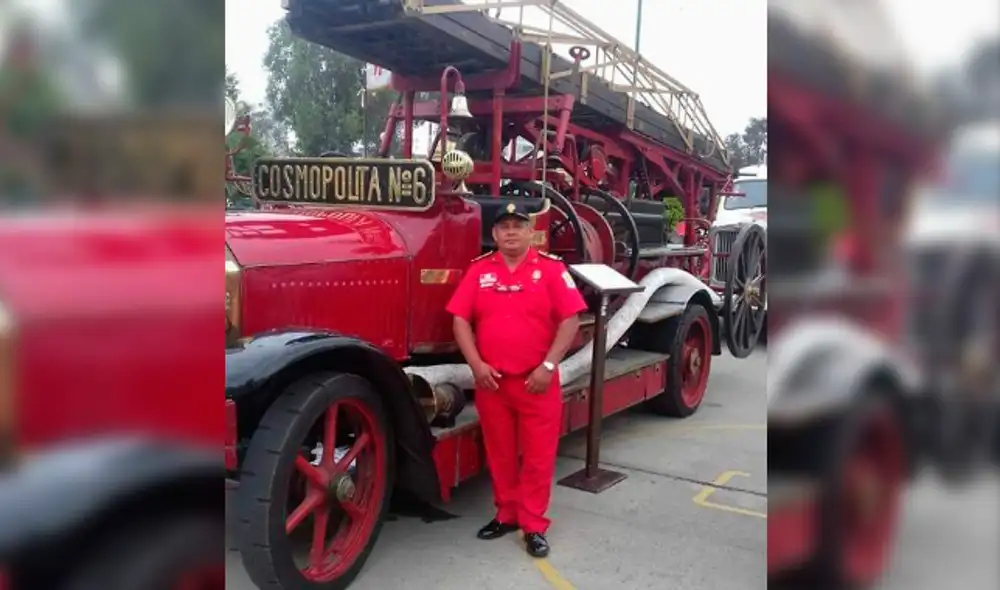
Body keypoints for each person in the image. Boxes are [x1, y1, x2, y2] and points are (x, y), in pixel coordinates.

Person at [445, 201, 587, 558]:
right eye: (504, 226)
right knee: (500, 454)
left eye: (518, 225)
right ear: (493, 234)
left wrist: (549, 367)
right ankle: (506, 514)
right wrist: (476, 365)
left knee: (538, 457)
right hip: (493, 384)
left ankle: (534, 525)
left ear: (531, 232)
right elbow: (459, 320)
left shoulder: (552, 270)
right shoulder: (479, 271)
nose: (510, 232)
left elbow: (571, 320)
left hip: (536, 383)